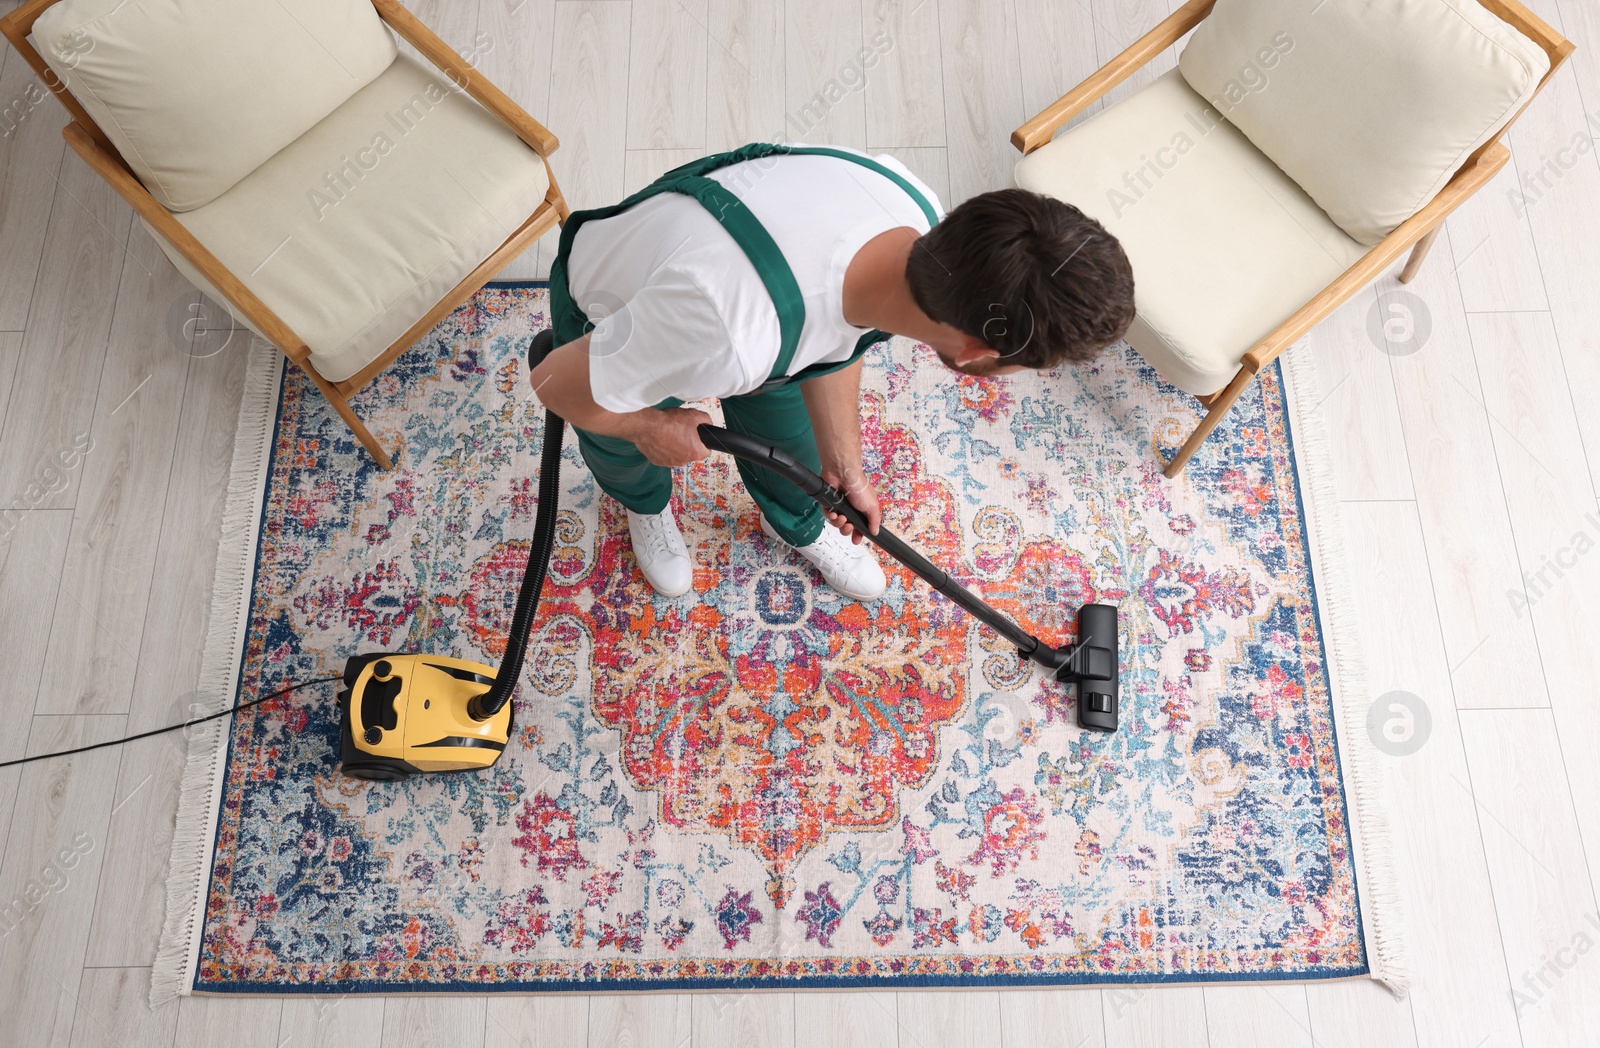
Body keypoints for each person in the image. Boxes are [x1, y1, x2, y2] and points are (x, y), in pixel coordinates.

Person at [528, 144, 1135, 600]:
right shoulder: (727, 331)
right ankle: (644, 505)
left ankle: (794, 519)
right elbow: (554, 383)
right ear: (977, 353)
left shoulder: (916, 214)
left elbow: (839, 328)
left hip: (737, 301)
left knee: (792, 446)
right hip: (619, 310)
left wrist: (843, 466)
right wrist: (647, 428)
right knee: (619, 445)